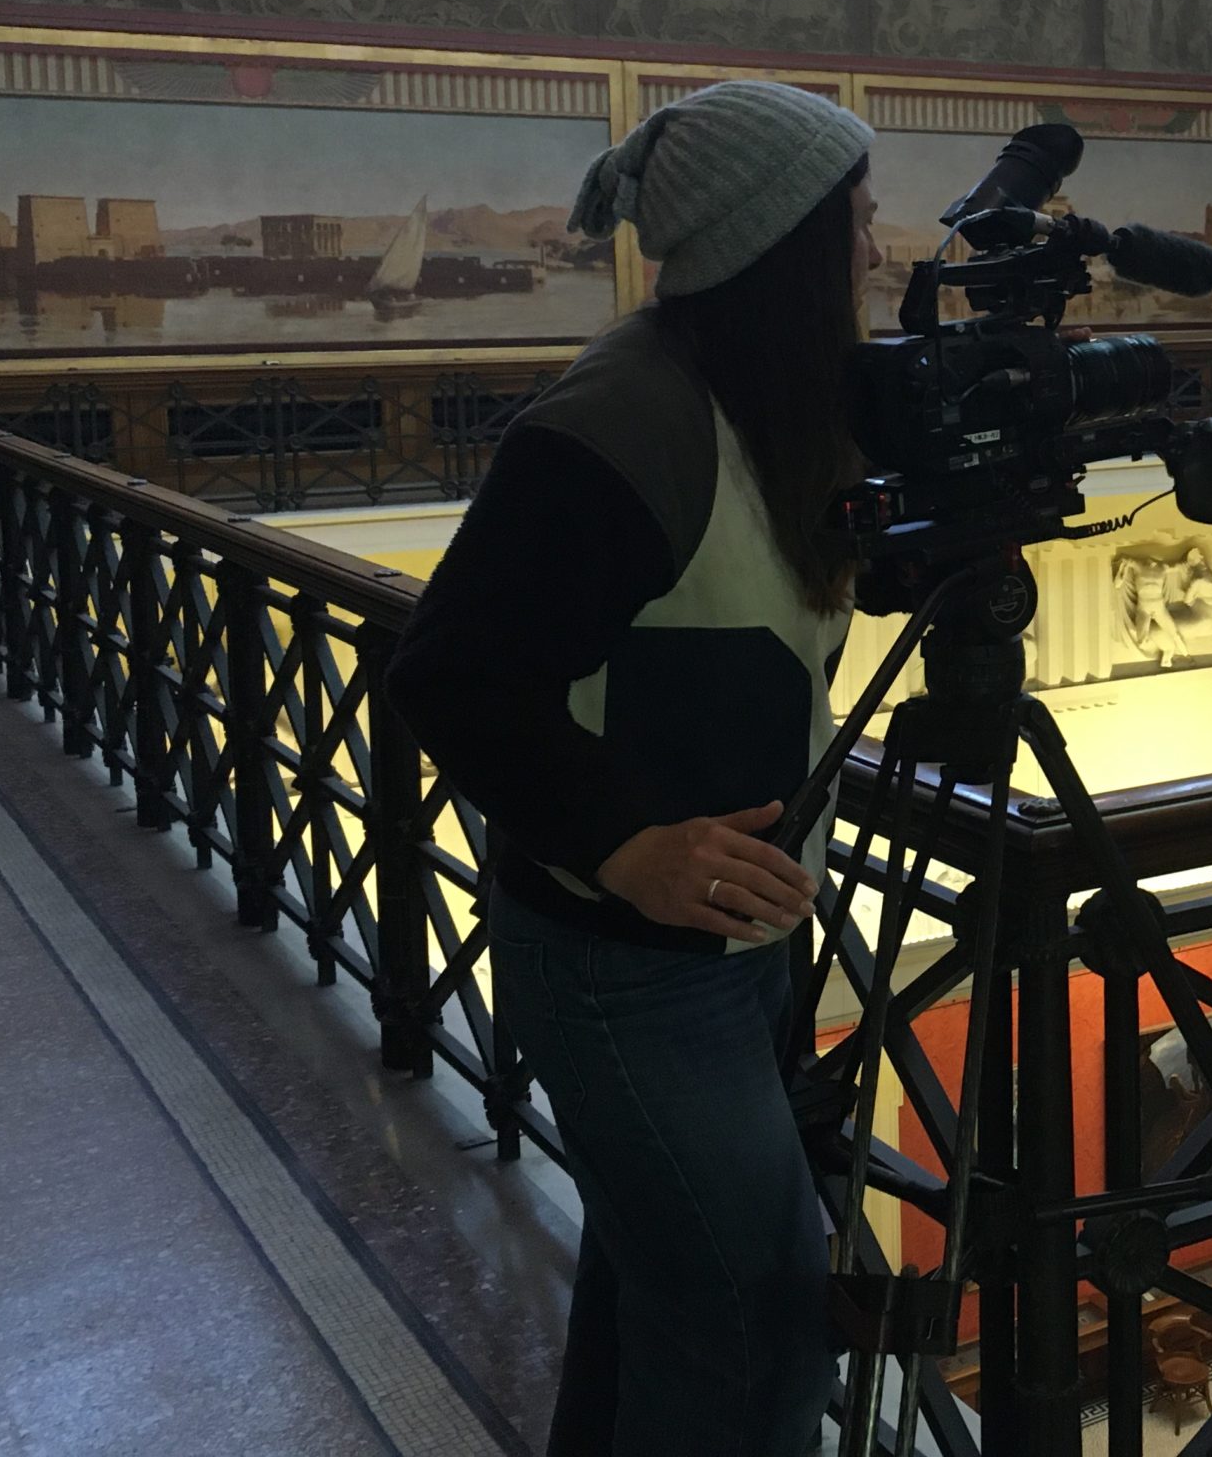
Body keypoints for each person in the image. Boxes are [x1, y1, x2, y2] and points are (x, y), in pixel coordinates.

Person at [387, 80, 882, 1456]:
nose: (878, 254)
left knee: (662, 1300)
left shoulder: (757, 399)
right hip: (625, 965)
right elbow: (450, 674)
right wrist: (628, 844)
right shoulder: (622, 425)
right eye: (858, 222)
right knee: (756, 1334)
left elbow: (759, 610)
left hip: (724, 958)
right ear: (786, 244)